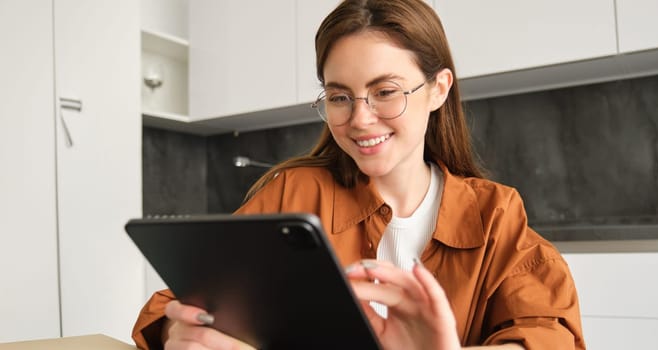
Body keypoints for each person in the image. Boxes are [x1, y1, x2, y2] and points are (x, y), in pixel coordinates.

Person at [131, 0, 585, 349]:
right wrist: (184, 328)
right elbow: (186, 299)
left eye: (385, 91)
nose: (360, 119)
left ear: (438, 89)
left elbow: (550, 331)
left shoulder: (494, 214)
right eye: (340, 97)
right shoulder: (294, 191)